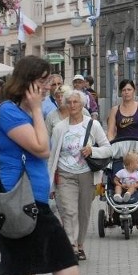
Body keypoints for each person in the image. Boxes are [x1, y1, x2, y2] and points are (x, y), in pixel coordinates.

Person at [0, 55, 79, 275]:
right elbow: (42, 148)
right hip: (19, 207)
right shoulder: (9, 112)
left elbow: (50, 136)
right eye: (42, 82)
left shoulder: (29, 109)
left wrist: (40, 107)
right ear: (26, 81)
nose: (47, 87)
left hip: (38, 206)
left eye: (48, 81)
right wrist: (34, 110)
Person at [48, 89, 112, 261]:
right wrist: (50, 183)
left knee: (83, 212)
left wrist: (93, 150)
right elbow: (53, 156)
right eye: (69, 102)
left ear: (82, 104)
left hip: (87, 175)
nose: (72, 105)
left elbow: (108, 148)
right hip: (65, 173)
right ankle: (72, 246)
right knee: (69, 211)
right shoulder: (60, 128)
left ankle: (80, 244)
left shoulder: (93, 125)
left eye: (75, 102)